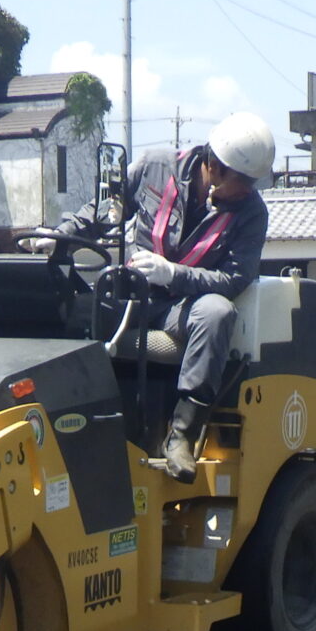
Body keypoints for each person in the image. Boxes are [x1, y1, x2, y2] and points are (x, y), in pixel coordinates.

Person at [107, 111, 276, 479]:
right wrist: (57, 235)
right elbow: (108, 210)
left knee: (217, 312)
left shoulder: (251, 213)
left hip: (180, 307)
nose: (249, 190)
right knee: (71, 305)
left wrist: (173, 273)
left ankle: (182, 434)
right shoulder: (154, 166)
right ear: (213, 166)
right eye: (244, 181)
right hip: (130, 297)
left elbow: (233, 279)